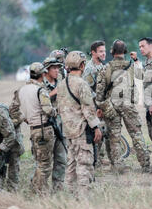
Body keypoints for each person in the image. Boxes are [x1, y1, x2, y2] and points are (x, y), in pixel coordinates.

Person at [96, 40, 150, 173]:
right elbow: (143, 76)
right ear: (125, 52)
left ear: (112, 52)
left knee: (114, 137)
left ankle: (118, 165)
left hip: (111, 106)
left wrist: (101, 107)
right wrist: (136, 60)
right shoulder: (131, 66)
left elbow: (99, 91)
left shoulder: (106, 68)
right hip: (128, 105)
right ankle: (145, 165)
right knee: (136, 134)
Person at [57, 51, 102, 195]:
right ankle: (84, 198)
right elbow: (88, 109)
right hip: (82, 131)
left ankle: (70, 195)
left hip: (68, 131)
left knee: (71, 165)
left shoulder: (62, 84)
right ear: (82, 65)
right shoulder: (82, 84)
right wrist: (96, 127)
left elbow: (59, 107)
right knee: (84, 165)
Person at [10, 62, 57, 194]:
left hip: (33, 129)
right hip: (44, 130)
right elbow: (48, 110)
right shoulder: (40, 90)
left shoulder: (21, 90)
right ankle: (39, 191)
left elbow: (12, 110)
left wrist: (25, 118)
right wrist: (56, 111)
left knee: (39, 161)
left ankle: (34, 188)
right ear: (42, 74)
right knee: (45, 165)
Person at [0, 104, 24, 189]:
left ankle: (12, 190)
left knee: (13, 161)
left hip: (12, 134)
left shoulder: (0, 115)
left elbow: (10, 136)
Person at [42, 57, 67, 191]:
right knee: (44, 162)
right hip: (45, 128)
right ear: (46, 70)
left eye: (58, 67)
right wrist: (54, 92)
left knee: (61, 159)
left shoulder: (61, 82)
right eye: (54, 68)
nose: (57, 70)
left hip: (61, 126)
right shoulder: (40, 84)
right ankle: (40, 188)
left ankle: (58, 189)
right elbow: (39, 102)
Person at [82, 40, 108, 166]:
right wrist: (98, 106)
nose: (104, 54)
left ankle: (100, 158)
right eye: (101, 51)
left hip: (103, 104)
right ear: (93, 52)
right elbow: (88, 90)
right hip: (95, 106)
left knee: (103, 132)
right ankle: (94, 161)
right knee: (96, 133)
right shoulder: (89, 68)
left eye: (104, 51)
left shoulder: (102, 65)